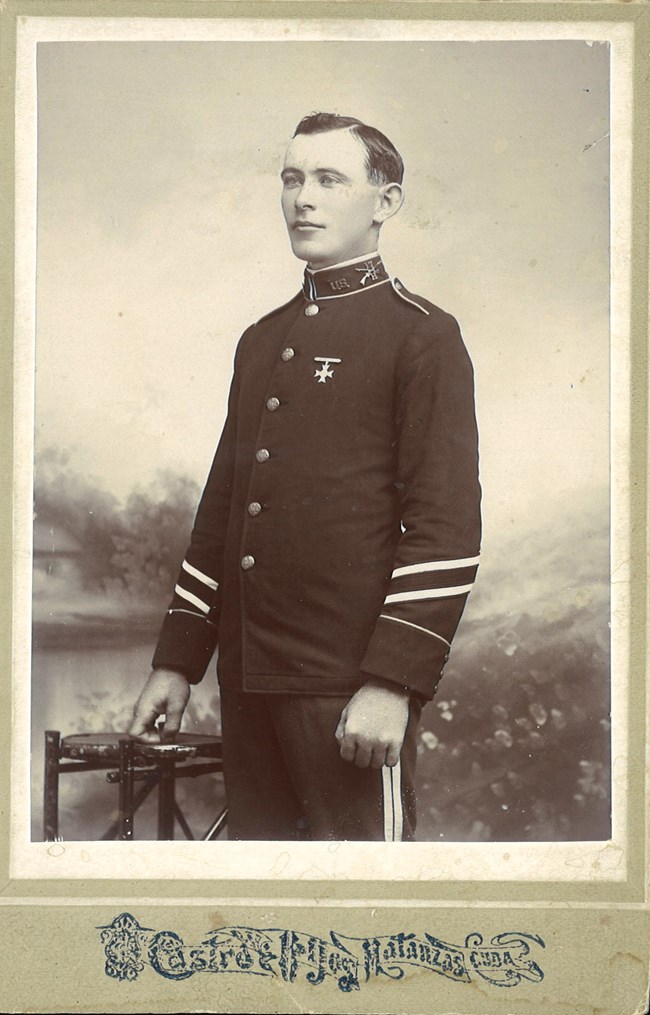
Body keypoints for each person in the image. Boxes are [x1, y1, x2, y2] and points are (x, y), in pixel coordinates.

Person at [128, 112, 481, 842]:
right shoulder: (262, 340)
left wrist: (392, 681)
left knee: (363, 918)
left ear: (385, 203)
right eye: (292, 179)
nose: (303, 199)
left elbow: (447, 528)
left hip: (349, 691)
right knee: (264, 911)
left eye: (329, 179)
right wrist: (178, 663)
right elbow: (224, 512)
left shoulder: (422, 335)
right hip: (249, 687)